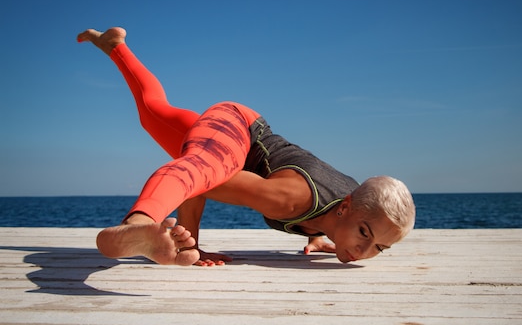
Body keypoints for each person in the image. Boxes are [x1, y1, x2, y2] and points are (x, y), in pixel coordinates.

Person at [77, 27, 415, 267]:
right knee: (202, 166)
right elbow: (200, 178)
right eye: (364, 234)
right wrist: (188, 242)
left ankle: (114, 45)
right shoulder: (288, 199)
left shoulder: (348, 208)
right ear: (346, 209)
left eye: (379, 248)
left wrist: (317, 234)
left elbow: (341, 200)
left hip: (235, 138)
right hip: (237, 126)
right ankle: (136, 227)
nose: (365, 249)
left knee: (153, 114)